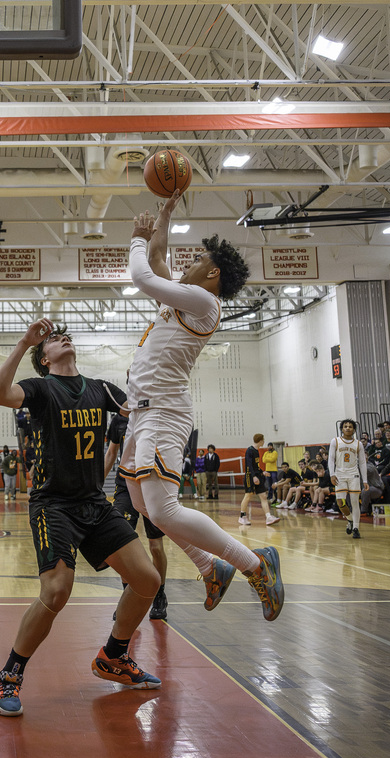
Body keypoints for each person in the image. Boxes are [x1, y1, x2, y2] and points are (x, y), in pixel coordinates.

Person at [0, 318, 165, 718]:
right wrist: (22, 341)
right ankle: (9, 675)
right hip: (53, 504)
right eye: (52, 339)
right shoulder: (40, 388)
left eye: (65, 336)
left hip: (93, 502)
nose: (62, 339)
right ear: (43, 357)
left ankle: (114, 657)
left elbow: (138, 409)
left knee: (147, 579)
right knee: (56, 590)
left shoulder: (100, 388)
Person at [119, 198, 283, 624]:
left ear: (212, 274)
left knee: (163, 509)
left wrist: (137, 236)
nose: (187, 262)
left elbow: (142, 271)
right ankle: (211, 567)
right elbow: (158, 259)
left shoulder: (204, 303)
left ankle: (253, 562)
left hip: (164, 412)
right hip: (141, 411)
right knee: (139, 500)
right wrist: (164, 217)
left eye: (197, 259)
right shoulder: (188, 298)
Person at [103, 412, 170, 620]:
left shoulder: (155, 414)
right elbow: (111, 452)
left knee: (155, 547)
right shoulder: (119, 419)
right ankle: (127, 597)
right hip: (125, 486)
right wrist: (96, 484)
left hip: (152, 484)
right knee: (121, 545)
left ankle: (159, 595)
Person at [328, 420, 369, 538]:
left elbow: (362, 463)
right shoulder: (335, 441)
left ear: (354, 430)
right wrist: (332, 474)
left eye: (350, 426)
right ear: (342, 429)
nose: (348, 428)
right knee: (340, 501)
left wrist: (365, 480)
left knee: (355, 501)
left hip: (353, 474)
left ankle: (356, 528)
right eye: (345, 426)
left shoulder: (358, 444)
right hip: (339, 473)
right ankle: (350, 520)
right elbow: (331, 459)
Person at [238, 434, 280, 525]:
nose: (264, 442)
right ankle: (242, 516)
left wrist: (262, 472)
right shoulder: (249, 450)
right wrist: (253, 477)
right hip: (250, 476)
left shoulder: (257, 451)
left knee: (263, 496)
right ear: (260, 440)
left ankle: (268, 517)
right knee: (248, 495)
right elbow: (248, 465)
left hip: (257, 475)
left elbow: (256, 466)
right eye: (263, 440)